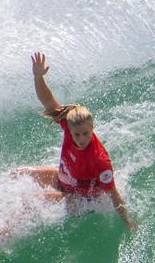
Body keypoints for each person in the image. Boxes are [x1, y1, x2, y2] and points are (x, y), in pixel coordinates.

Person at [14, 52, 136, 230]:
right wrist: (38, 76)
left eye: (86, 133)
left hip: (80, 200)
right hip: (65, 181)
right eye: (76, 135)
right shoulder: (68, 124)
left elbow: (114, 195)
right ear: (68, 129)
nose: (81, 139)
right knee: (19, 173)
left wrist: (128, 223)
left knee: (28, 202)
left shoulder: (99, 160)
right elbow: (47, 100)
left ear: (92, 128)